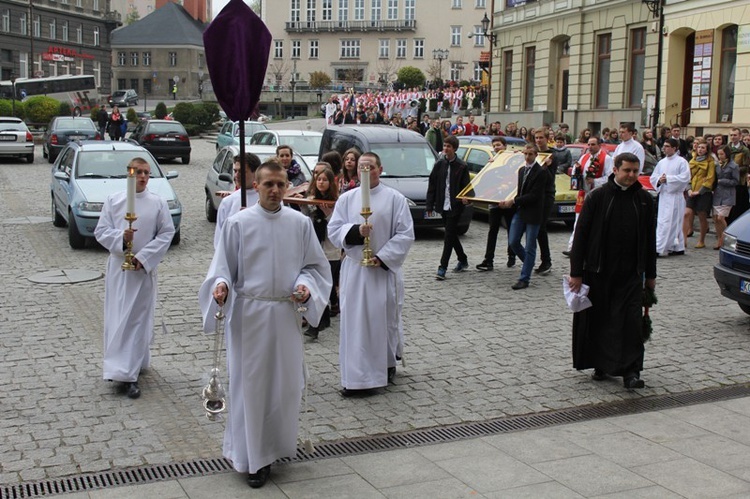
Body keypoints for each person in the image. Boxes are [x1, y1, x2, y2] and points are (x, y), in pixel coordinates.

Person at [199, 160, 332, 489]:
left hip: (285, 315)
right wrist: (222, 287)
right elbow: (222, 268)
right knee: (252, 389)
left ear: (288, 186)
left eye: (280, 184)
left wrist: (306, 287)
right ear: (255, 186)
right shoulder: (239, 223)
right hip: (249, 317)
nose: (275, 190)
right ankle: (252, 458)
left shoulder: (299, 224)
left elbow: (315, 268)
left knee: (283, 388)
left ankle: (274, 449)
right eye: (268, 184)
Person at [328, 152, 414, 395]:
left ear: (380, 169)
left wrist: (383, 256)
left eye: (370, 167)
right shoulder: (346, 199)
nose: (365, 171)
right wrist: (356, 231)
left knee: (382, 321)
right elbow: (334, 229)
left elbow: (406, 233)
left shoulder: (394, 199)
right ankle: (358, 376)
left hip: (382, 271)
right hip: (355, 270)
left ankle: (385, 365)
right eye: (361, 167)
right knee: (355, 325)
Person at [569, 152, 657, 390]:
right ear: (615, 170)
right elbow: (581, 237)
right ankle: (601, 363)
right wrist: (576, 272)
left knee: (630, 323)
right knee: (601, 320)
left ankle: (631, 371)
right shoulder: (598, 197)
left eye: (635, 171)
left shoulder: (645, 200)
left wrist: (650, 275)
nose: (631, 175)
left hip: (630, 274)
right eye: (627, 170)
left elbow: (650, 240)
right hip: (599, 271)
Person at [94, 157, 175, 399]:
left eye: (146, 173)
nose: (142, 177)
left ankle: (129, 372)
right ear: (129, 174)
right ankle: (118, 367)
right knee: (119, 317)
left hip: (141, 270)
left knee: (137, 319)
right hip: (119, 269)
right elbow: (101, 231)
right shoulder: (114, 200)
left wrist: (145, 256)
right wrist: (121, 239)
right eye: (138, 172)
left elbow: (167, 232)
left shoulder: (157, 203)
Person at [302, 164, 340, 340]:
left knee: (326, 286)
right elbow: (306, 221)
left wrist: (328, 215)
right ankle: (317, 323)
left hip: (331, 250)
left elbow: (337, 228)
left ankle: (318, 322)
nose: (321, 182)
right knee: (317, 286)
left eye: (325, 180)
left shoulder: (337, 202)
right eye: (319, 179)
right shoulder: (311, 199)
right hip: (315, 249)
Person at [426, 135, 472, 280]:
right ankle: (463, 259)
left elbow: (467, 187)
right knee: (451, 234)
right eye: (444, 146)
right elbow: (432, 185)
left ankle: (442, 267)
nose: (445, 149)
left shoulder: (462, 166)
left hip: (455, 206)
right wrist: (429, 204)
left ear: (454, 149)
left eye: (449, 146)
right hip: (442, 204)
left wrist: (466, 198)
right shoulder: (439, 164)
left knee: (448, 237)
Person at [500, 144, 546, 290]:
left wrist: (513, 201)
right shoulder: (521, 170)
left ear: (536, 155)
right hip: (521, 211)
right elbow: (520, 191)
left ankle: (524, 278)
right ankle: (528, 263)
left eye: (530, 154)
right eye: (525, 154)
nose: (527, 157)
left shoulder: (541, 172)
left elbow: (534, 195)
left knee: (530, 246)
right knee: (513, 241)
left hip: (533, 213)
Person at [564, 137, 614, 255]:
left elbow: (611, 177)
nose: (590, 147)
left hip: (597, 194)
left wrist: (596, 181)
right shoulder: (584, 157)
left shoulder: (606, 159)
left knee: (595, 222)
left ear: (599, 145)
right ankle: (573, 247)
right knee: (578, 220)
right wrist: (576, 169)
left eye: (593, 144)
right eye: (589, 144)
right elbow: (578, 171)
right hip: (583, 192)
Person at [476, 137, 516, 270]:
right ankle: (488, 260)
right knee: (493, 230)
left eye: (498, 145)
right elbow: (484, 182)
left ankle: (512, 255)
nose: (496, 148)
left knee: (511, 229)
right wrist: (489, 167)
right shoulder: (492, 163)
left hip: (509, 202)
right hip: (494, 202)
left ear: (505, 146)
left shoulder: (513, 160)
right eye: (494, 146)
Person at [650, 138, 691, 256]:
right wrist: (659, 180)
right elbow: (653, 177)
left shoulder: (681, 162)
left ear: (675, 148)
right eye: (664, 146)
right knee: (663, 222)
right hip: (664, 195)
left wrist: (668, 179)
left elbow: (685, 177)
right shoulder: (661, 162)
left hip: (675, 195)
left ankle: (660, 248)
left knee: (671, 222)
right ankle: (676, 246)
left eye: (668, 146)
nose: (665, 148)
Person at [214, 153, 261, 249]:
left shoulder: (266, 200)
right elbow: (220, 239)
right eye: (235, 171)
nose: (237, 175)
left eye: (242, 171)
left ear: (255, 172)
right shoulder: (228, 202)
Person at [684, 139, 715, 249]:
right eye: (699, 147)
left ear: (707, 150)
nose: (700, 149)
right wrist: (689, 189)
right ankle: (684, 239)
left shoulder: (710, 162)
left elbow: (710, 179)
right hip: (692, 191)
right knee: (686, 213)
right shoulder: (692, 160)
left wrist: (699, 191)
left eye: (703, 148)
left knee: (702, 215)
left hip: (703, 193)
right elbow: (688, 176)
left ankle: (701, 240)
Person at [533, 130, 557, 275]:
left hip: (546, 195)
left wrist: (547, 166)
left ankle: (546, 260)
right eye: (536, 138)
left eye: (541, 137)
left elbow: (550, 178)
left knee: (541, 227)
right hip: (534, 194)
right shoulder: (533, 153)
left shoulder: (552, 155)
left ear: (547, 139)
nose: (539, 140)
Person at [713, 145, 740, 250]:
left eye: (722, 154)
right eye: (718, 154)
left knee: (721, 217)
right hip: (718, 194)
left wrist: (722, 181)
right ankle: (719, 238)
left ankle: (725, 237)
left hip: (728, 194)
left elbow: (735, 181)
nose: (720, 156)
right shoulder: (717, 165)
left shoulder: (733, 166)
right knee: (716, 219)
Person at [727, 127, 750, 224]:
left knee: (737, 206)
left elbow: (746, 166)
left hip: (739, 181)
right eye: (731, 135)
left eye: (735, 135)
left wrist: (733, 170)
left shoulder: (744, 150)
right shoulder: (726, 148)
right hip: (726, 181)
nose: (733, 137)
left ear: (740, 136)